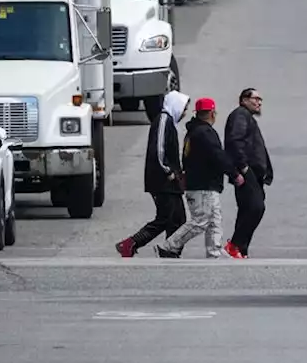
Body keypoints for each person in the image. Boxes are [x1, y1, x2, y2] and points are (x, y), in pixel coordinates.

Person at [155, 97, 239, 259]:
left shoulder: (193, 132)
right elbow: (217, 155)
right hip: (203, 185)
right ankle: (168, 246)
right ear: (212, 113)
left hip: (202, 184)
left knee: (214, 220)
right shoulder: (205, 133)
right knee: (200, 221)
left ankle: (214, 251)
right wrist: (233, 173)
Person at [116, 90, 189, 258]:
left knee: (178, 219)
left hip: (171, 182)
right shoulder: (163, 120)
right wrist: (168, 170)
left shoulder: (169, 121)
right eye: (184, 108)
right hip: (162, 181)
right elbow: (159, 148)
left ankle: (170, 249)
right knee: (165, 218)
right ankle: (130, 244)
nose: (184, 113)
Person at [223, 87, 273, 259]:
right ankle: (235, 244)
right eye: (255, 98)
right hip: (246, 171)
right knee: (256, 207)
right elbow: (235, 141)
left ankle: (241, 249)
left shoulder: (246, 117)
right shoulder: (240, 115)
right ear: (243, 100)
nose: (259, 102)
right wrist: (243, 167)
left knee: (248, 209)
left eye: (260, 100)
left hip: (253, 172)